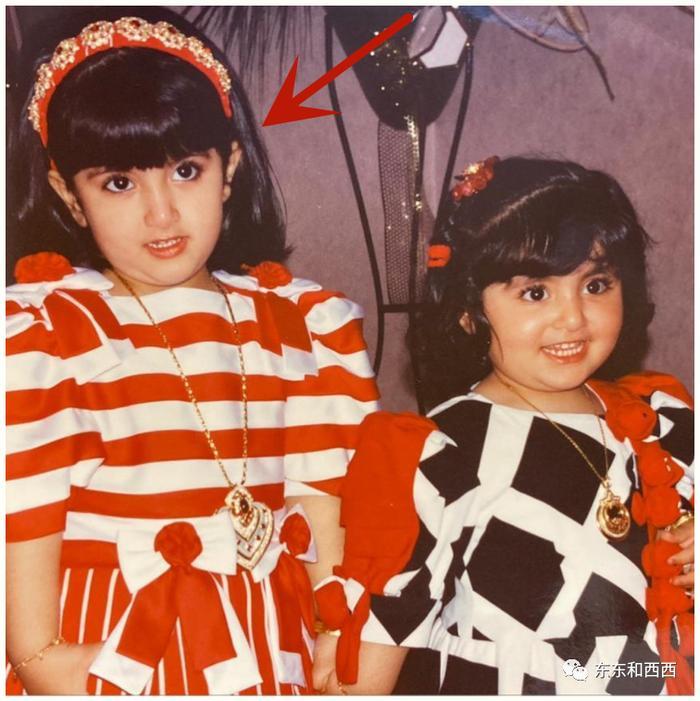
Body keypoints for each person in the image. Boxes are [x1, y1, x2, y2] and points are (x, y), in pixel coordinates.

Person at [6, 10, 379, 695]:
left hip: (270, 648)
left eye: (185, 170)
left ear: (228, 168)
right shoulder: (47, 333)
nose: (161, 213)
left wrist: (335, 634)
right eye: (119, 183)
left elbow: (322, 508)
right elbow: (25, 529)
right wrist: (46, 659)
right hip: (115, 650)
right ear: (68, 194)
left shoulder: (301, 324)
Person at [311, 157, 694, 695]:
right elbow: (375, 655)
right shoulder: (441, 450)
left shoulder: (660, 420)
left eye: (596, 285)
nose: (573, 318)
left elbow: (649, 670)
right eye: (536, 292)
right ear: (469, 311)